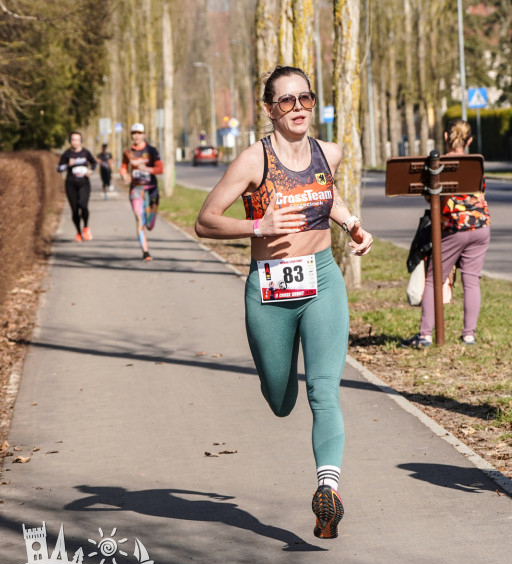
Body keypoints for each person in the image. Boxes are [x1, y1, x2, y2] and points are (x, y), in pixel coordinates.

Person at [195, 65, 373, 539]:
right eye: (287, 101)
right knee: (281, 399)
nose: (298, 109)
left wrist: (352, 224)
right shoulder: (253, 162)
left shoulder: (327, 152)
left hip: (323, 281)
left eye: (306, 99)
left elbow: (325, 195)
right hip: (271, 289)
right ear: (270, 109)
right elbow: (205, 220)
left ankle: (327, 492)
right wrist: (258, 226)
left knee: (324, 390)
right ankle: (282, 390)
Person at [402, 118, 490, 348]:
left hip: (453, 229)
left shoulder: (437, 166)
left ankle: (426, 335)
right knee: (471, 281)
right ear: (469, 140)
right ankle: (469, 335)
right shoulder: (475, 163)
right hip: (481, 227)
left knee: (434, 279)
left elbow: (434, 199)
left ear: (444, 137)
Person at [120, 123, 164, 262]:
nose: (136, 136)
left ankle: (150, 221)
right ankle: (145, 252)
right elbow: (123, 168)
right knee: (140, 219)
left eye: (139, 133)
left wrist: (147, 169)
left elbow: (160, 169)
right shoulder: (128, 152)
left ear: (144, 134)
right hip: (136, 189)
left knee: (149, 224)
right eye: (134, 133)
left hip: (151, 189)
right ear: (131, 135)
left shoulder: (151, 150)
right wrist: (124, 175)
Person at [57, 132, 97, 242]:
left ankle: (86, 227)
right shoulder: (67, 154)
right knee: (74, 210)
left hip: (84, 183)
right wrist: (68, 165)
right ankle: (78, 232)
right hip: (71, 184)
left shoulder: (85, 152)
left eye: (77, 140)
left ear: (81, 141)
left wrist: (91, 171)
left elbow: (94, 163)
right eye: (73, 140)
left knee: (83, 205)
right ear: (70, 141)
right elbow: (59, 168)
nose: (75, 142)